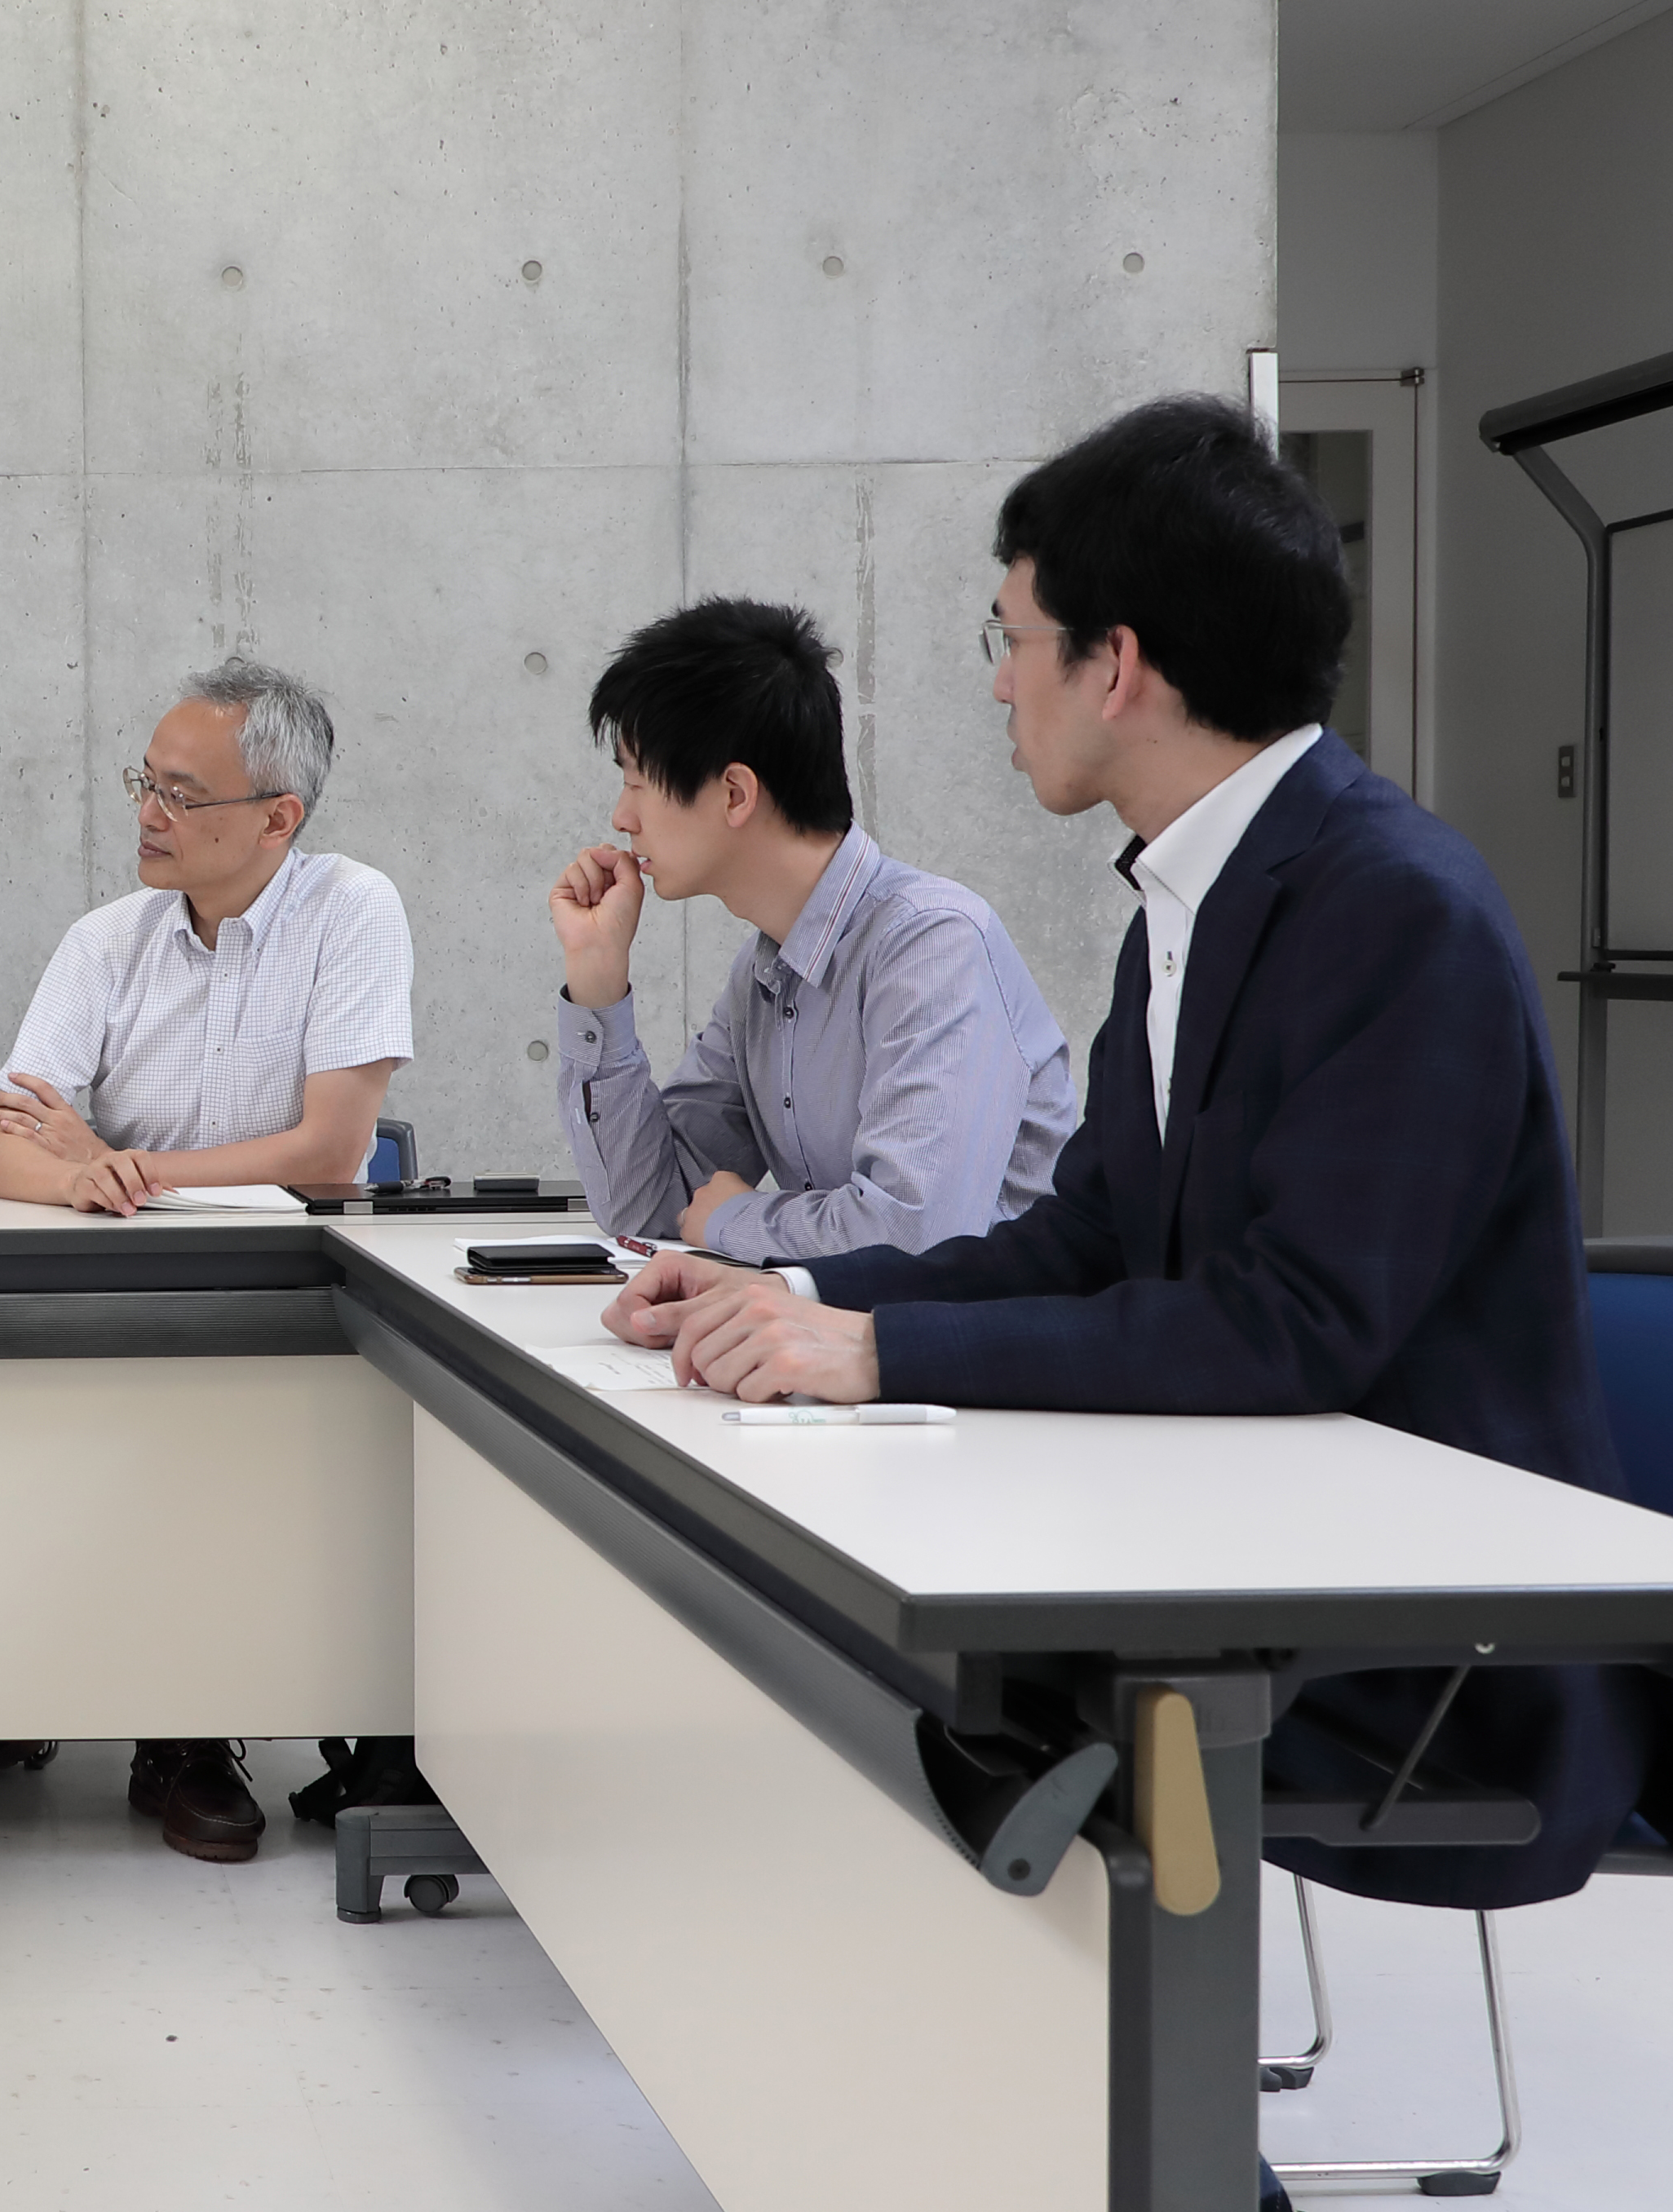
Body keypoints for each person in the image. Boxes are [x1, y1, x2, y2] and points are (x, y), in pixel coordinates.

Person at [604, 397, 1644, 1922]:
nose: (996, 685)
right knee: (826, 1634)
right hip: (1225, 1535)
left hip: (1410, 1638)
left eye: (1009, 637)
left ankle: (1155, 2150)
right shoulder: (1190, 899)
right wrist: (783, 1285)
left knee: (901, 1678)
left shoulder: (1392, 909)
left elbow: (1290, 1323)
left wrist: (872, 1348)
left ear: (1118, 664)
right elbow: (1079, 1237)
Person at [0, 655, 412, 1862]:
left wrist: (135, 1167)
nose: (149, 812)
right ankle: (0, 1703)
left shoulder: (353, 909)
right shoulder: (106, 942)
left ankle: (185, 1734)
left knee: (198, 1440)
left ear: (278, 817)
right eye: (146, 782)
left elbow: (334, 1151)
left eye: (185, 794)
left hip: (290, 1296)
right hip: (106, 1276)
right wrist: (83, 1172)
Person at [546, 597, 1075, 1260]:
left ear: (735, 794)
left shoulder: (932, 943)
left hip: (982, 1354)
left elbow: (915, 1236)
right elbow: (649, 1208)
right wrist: (598, 985)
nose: (622, 817)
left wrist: (735, 1219)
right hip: (847, 1345)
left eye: (637, 783)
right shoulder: (765, 971)